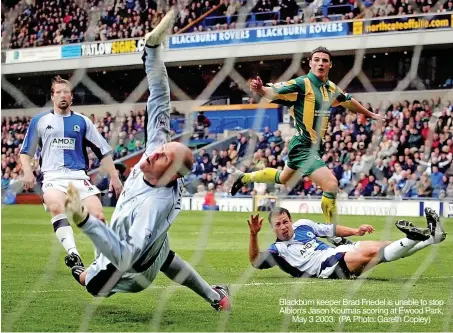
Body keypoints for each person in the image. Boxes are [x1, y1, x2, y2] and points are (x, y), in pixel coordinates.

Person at [64, 10, 231, 311]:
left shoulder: (152, 208)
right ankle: (217, 298)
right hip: (153, 246)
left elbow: (126, 254)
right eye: (163, 147)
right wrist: (153, 52)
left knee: (89, 281)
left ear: (168, 174)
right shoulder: (158, 152)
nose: (153, 152)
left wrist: (85, 221)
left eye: (163, 156)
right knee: (167, 256)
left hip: (132, 269)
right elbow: (160, 98)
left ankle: (78, 268)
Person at [231, 47, 385, 228]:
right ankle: (332, 233)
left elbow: (347, 101)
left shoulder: (331, 88)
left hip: (313, 146)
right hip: (304, 145)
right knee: (331, 185)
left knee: (283, 178)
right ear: (310, 63)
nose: (321, 63)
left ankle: (244, 178)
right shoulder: (302, 84)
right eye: (317, 60)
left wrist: (370, 114)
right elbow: (275, 91)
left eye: (324, 60)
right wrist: (261, 89)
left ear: (330, 65)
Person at [19, 76, 123, 268]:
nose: (62, 95)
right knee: (56, 206)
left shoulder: (83, 122)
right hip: (53, 177)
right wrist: (27, 171)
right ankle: (73, 254)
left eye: (66, 92)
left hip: (79, 178)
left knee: (98, 216)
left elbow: (103, 151)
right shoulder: (40, 121)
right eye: (58, 92)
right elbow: (26, 153)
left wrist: (115, 177)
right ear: (52, 97)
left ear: (72, 97)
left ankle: (100, 261)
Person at [247, 207, 446, 279]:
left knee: (383, 245)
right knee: (371, 254)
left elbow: (331, 230)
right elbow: (255, 261)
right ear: (273, 229)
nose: (283, 227)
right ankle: (415, 237)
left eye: (285, 221)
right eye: (278, 225)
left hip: (338, 250)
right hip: (327, 268)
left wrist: (356, 231)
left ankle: (431, 237)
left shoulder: (303, 225)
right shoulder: (277, 250)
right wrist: (253, 236)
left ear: (291, 220)